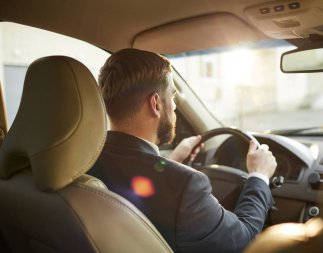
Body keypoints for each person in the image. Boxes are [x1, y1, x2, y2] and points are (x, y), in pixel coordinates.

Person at [88, 48, 277, 253]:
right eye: (173, 97)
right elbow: (243, 240)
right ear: (156, 104)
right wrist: (259, 175)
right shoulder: (187, 186)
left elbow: (140, 182)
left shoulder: (83, 161)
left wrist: (173, 161)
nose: (174, 107)